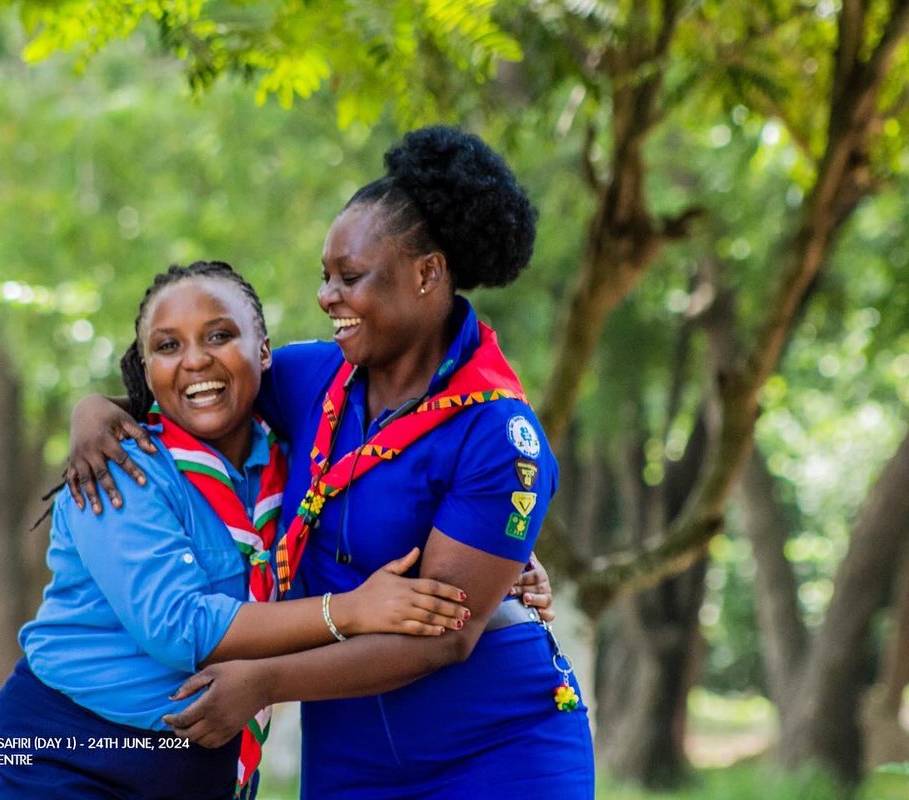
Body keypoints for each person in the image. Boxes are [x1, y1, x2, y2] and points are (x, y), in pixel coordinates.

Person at [67, 127, 594, 798]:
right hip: (349, 746)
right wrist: (94, 410)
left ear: (427, 274)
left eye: (350, 278)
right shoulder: (312, 377)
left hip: (497, 745)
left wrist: (266, 679)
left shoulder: (498, 432)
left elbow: (445, 640)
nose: (326, 297)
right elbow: (198, 390)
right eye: (325, 278)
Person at [0, 261, 475, 800]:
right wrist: (351, 610)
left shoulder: (302, 469)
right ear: (146, 370)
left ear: (264, 350)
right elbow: (179, 627)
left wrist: (502, 558)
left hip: (208, 763)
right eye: (168, 347)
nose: (195, 359)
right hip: (65, 755)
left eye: (220, 335)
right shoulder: (120, 468)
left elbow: (385, 526)